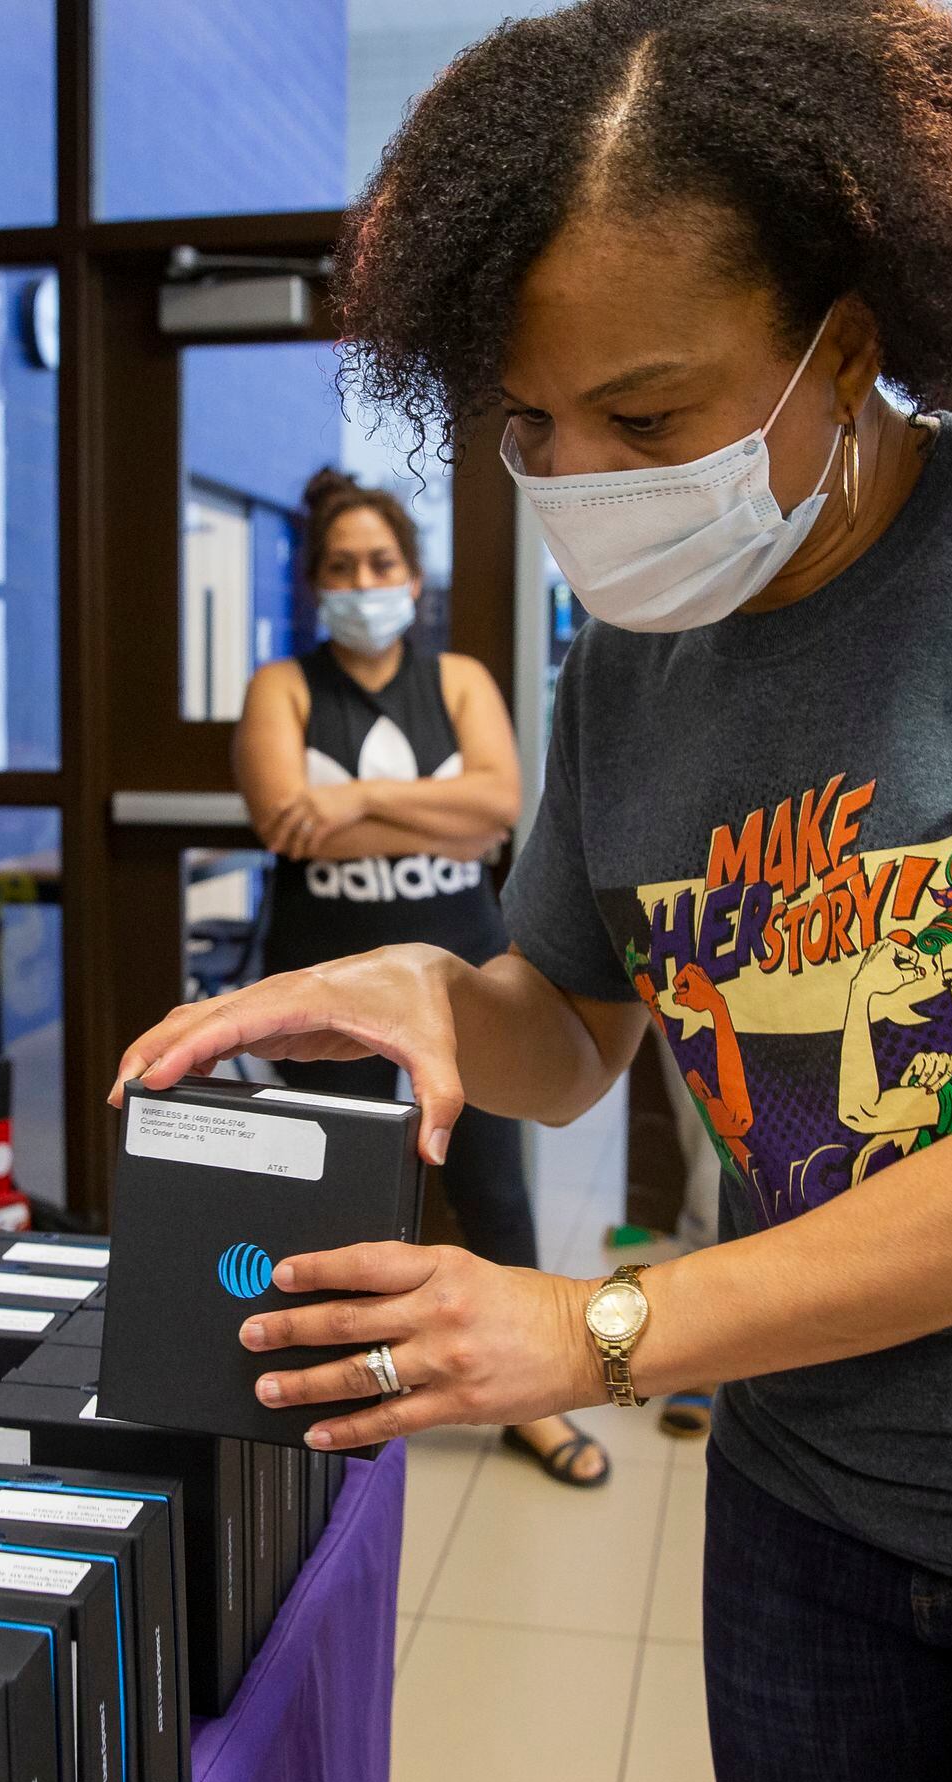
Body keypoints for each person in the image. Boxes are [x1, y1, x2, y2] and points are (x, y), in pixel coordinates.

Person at [117, 3, 952, 1782]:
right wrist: (433, 990)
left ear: (842, 342)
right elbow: (568, 1030)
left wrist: (594, 1329)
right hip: (815, 1513)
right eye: (534, 423)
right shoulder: (635, 660)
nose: (583, 480)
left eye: (647, 413)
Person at [234, 468, 611, 1488]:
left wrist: (347, 801)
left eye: (383, 563)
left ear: (414, 577)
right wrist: (423, 805)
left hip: (466, 978)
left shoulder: (457, 681)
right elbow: (279, 815)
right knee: (335, 1199)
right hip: (325, 989)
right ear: (316, 582)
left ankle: (527, 1400)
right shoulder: (282, 686)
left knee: (492, 1188)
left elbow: (495, 806)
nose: (365, 581)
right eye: (344, 566)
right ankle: (344, 1392)